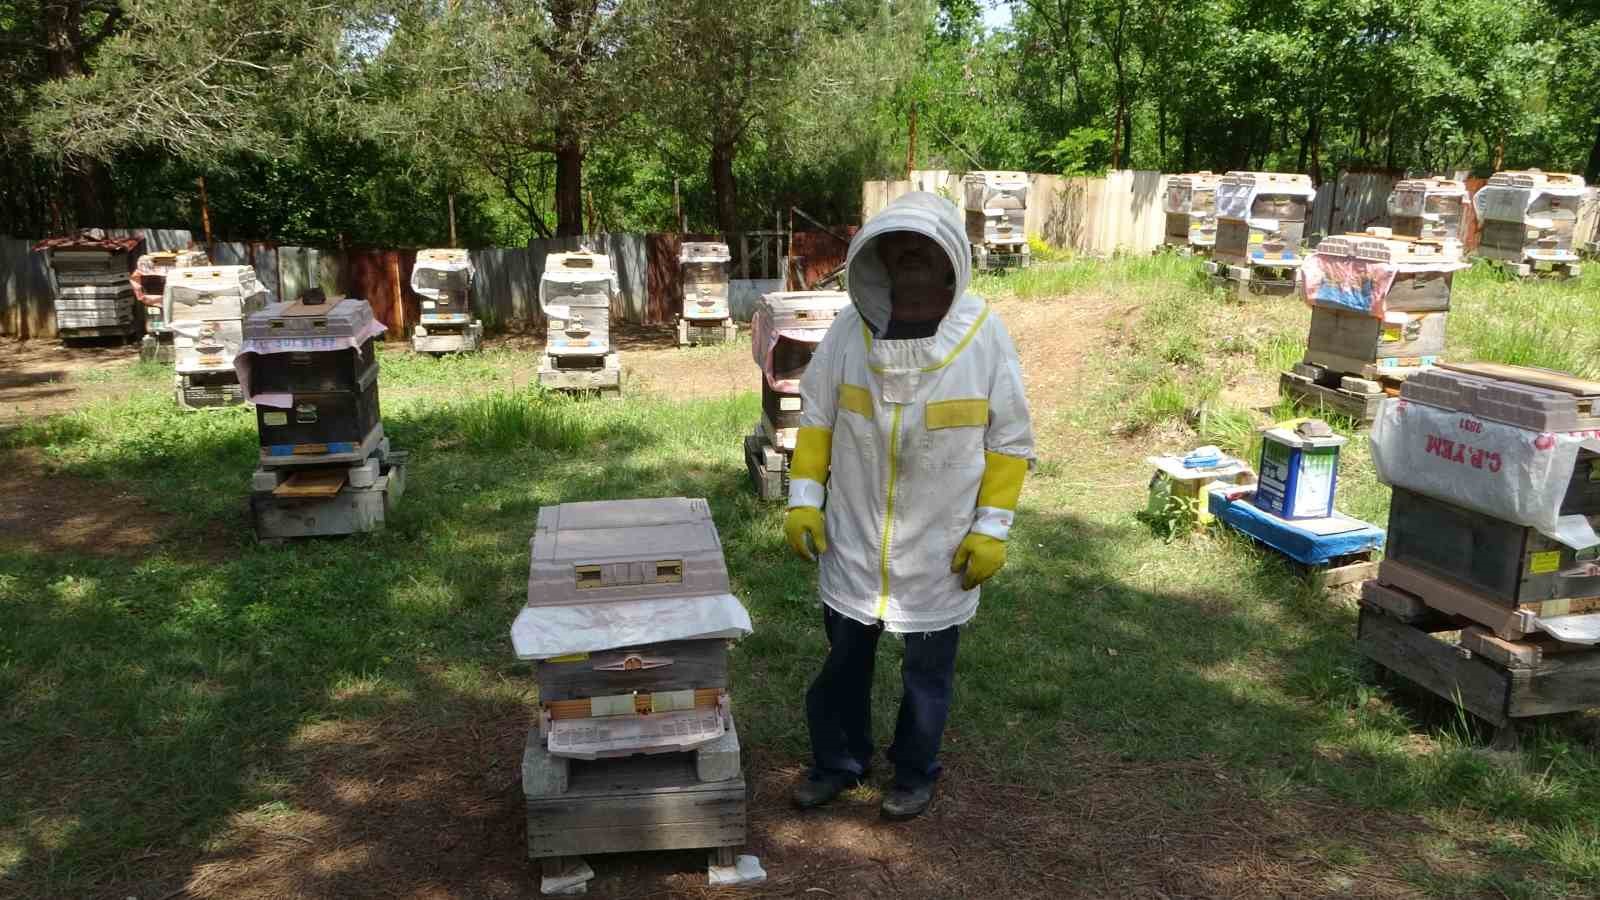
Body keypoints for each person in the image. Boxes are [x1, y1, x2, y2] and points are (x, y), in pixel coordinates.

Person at [783, 191, 1034, 820]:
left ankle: (915, 771)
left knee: (927, 675)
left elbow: (1009, 442)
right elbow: (816, 420)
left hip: (941, 544)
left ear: (951, 260)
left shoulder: (983, 334)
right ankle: (839, 761)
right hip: (854, 535)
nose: (911, 260)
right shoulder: (848, 332)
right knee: (843, 662)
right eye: (899, 250)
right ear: (881, 260)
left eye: (924, 249)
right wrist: (804, 502)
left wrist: (992, 529)